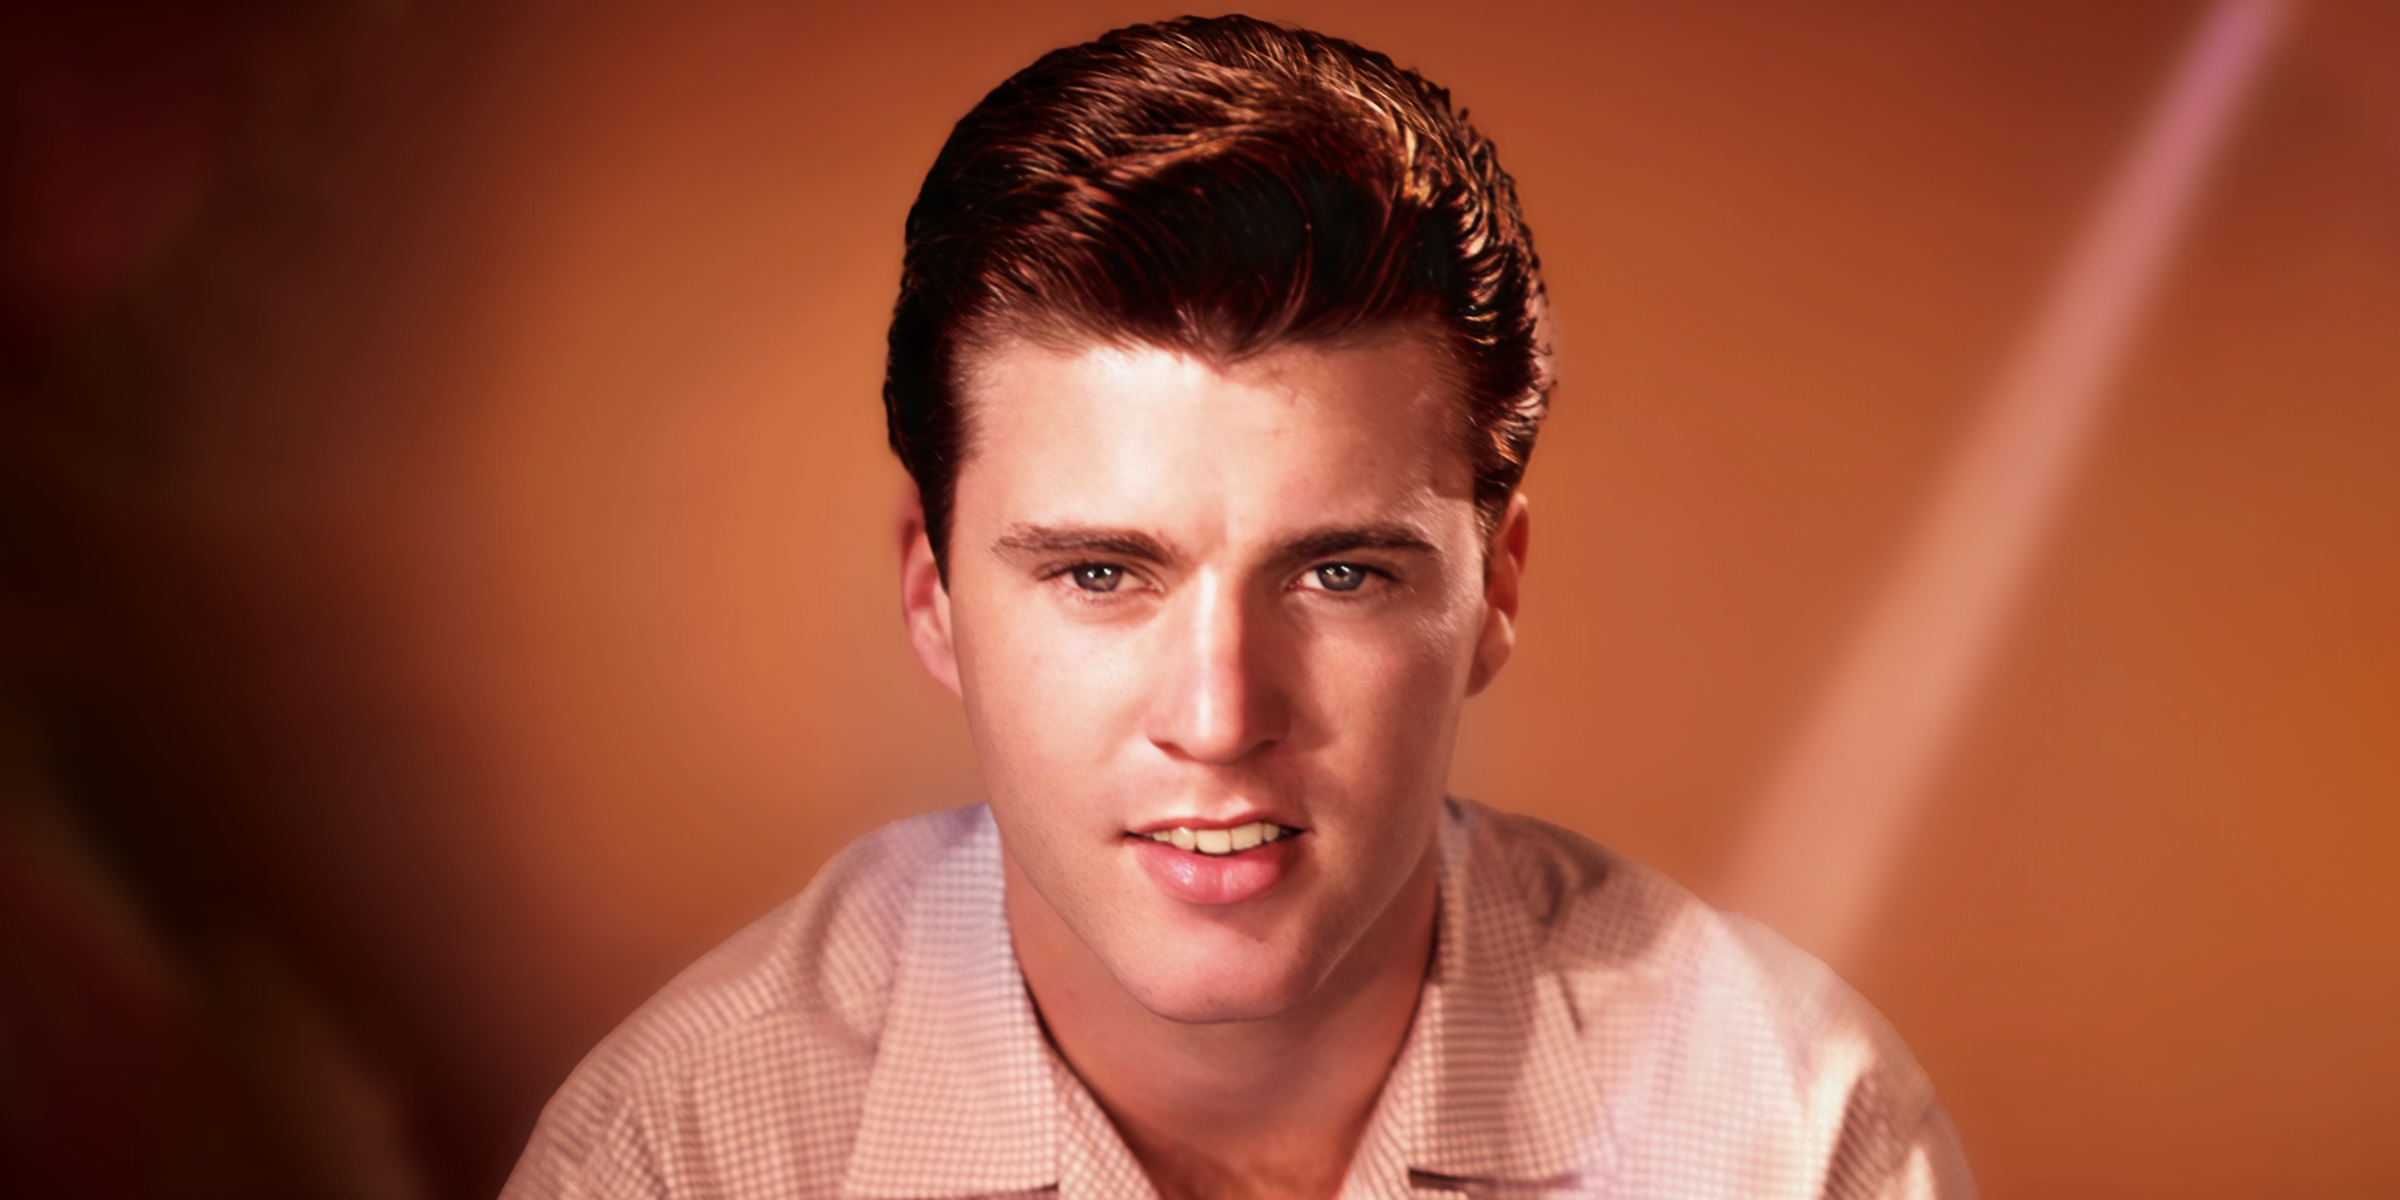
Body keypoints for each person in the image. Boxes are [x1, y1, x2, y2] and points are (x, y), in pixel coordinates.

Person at [501, 15, 1975, 1200]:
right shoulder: (679, 1155)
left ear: (1494, 592)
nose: (1219, 718)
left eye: (1340, 572)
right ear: (930, 593)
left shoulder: (1792, 1135)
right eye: (1099, 574)